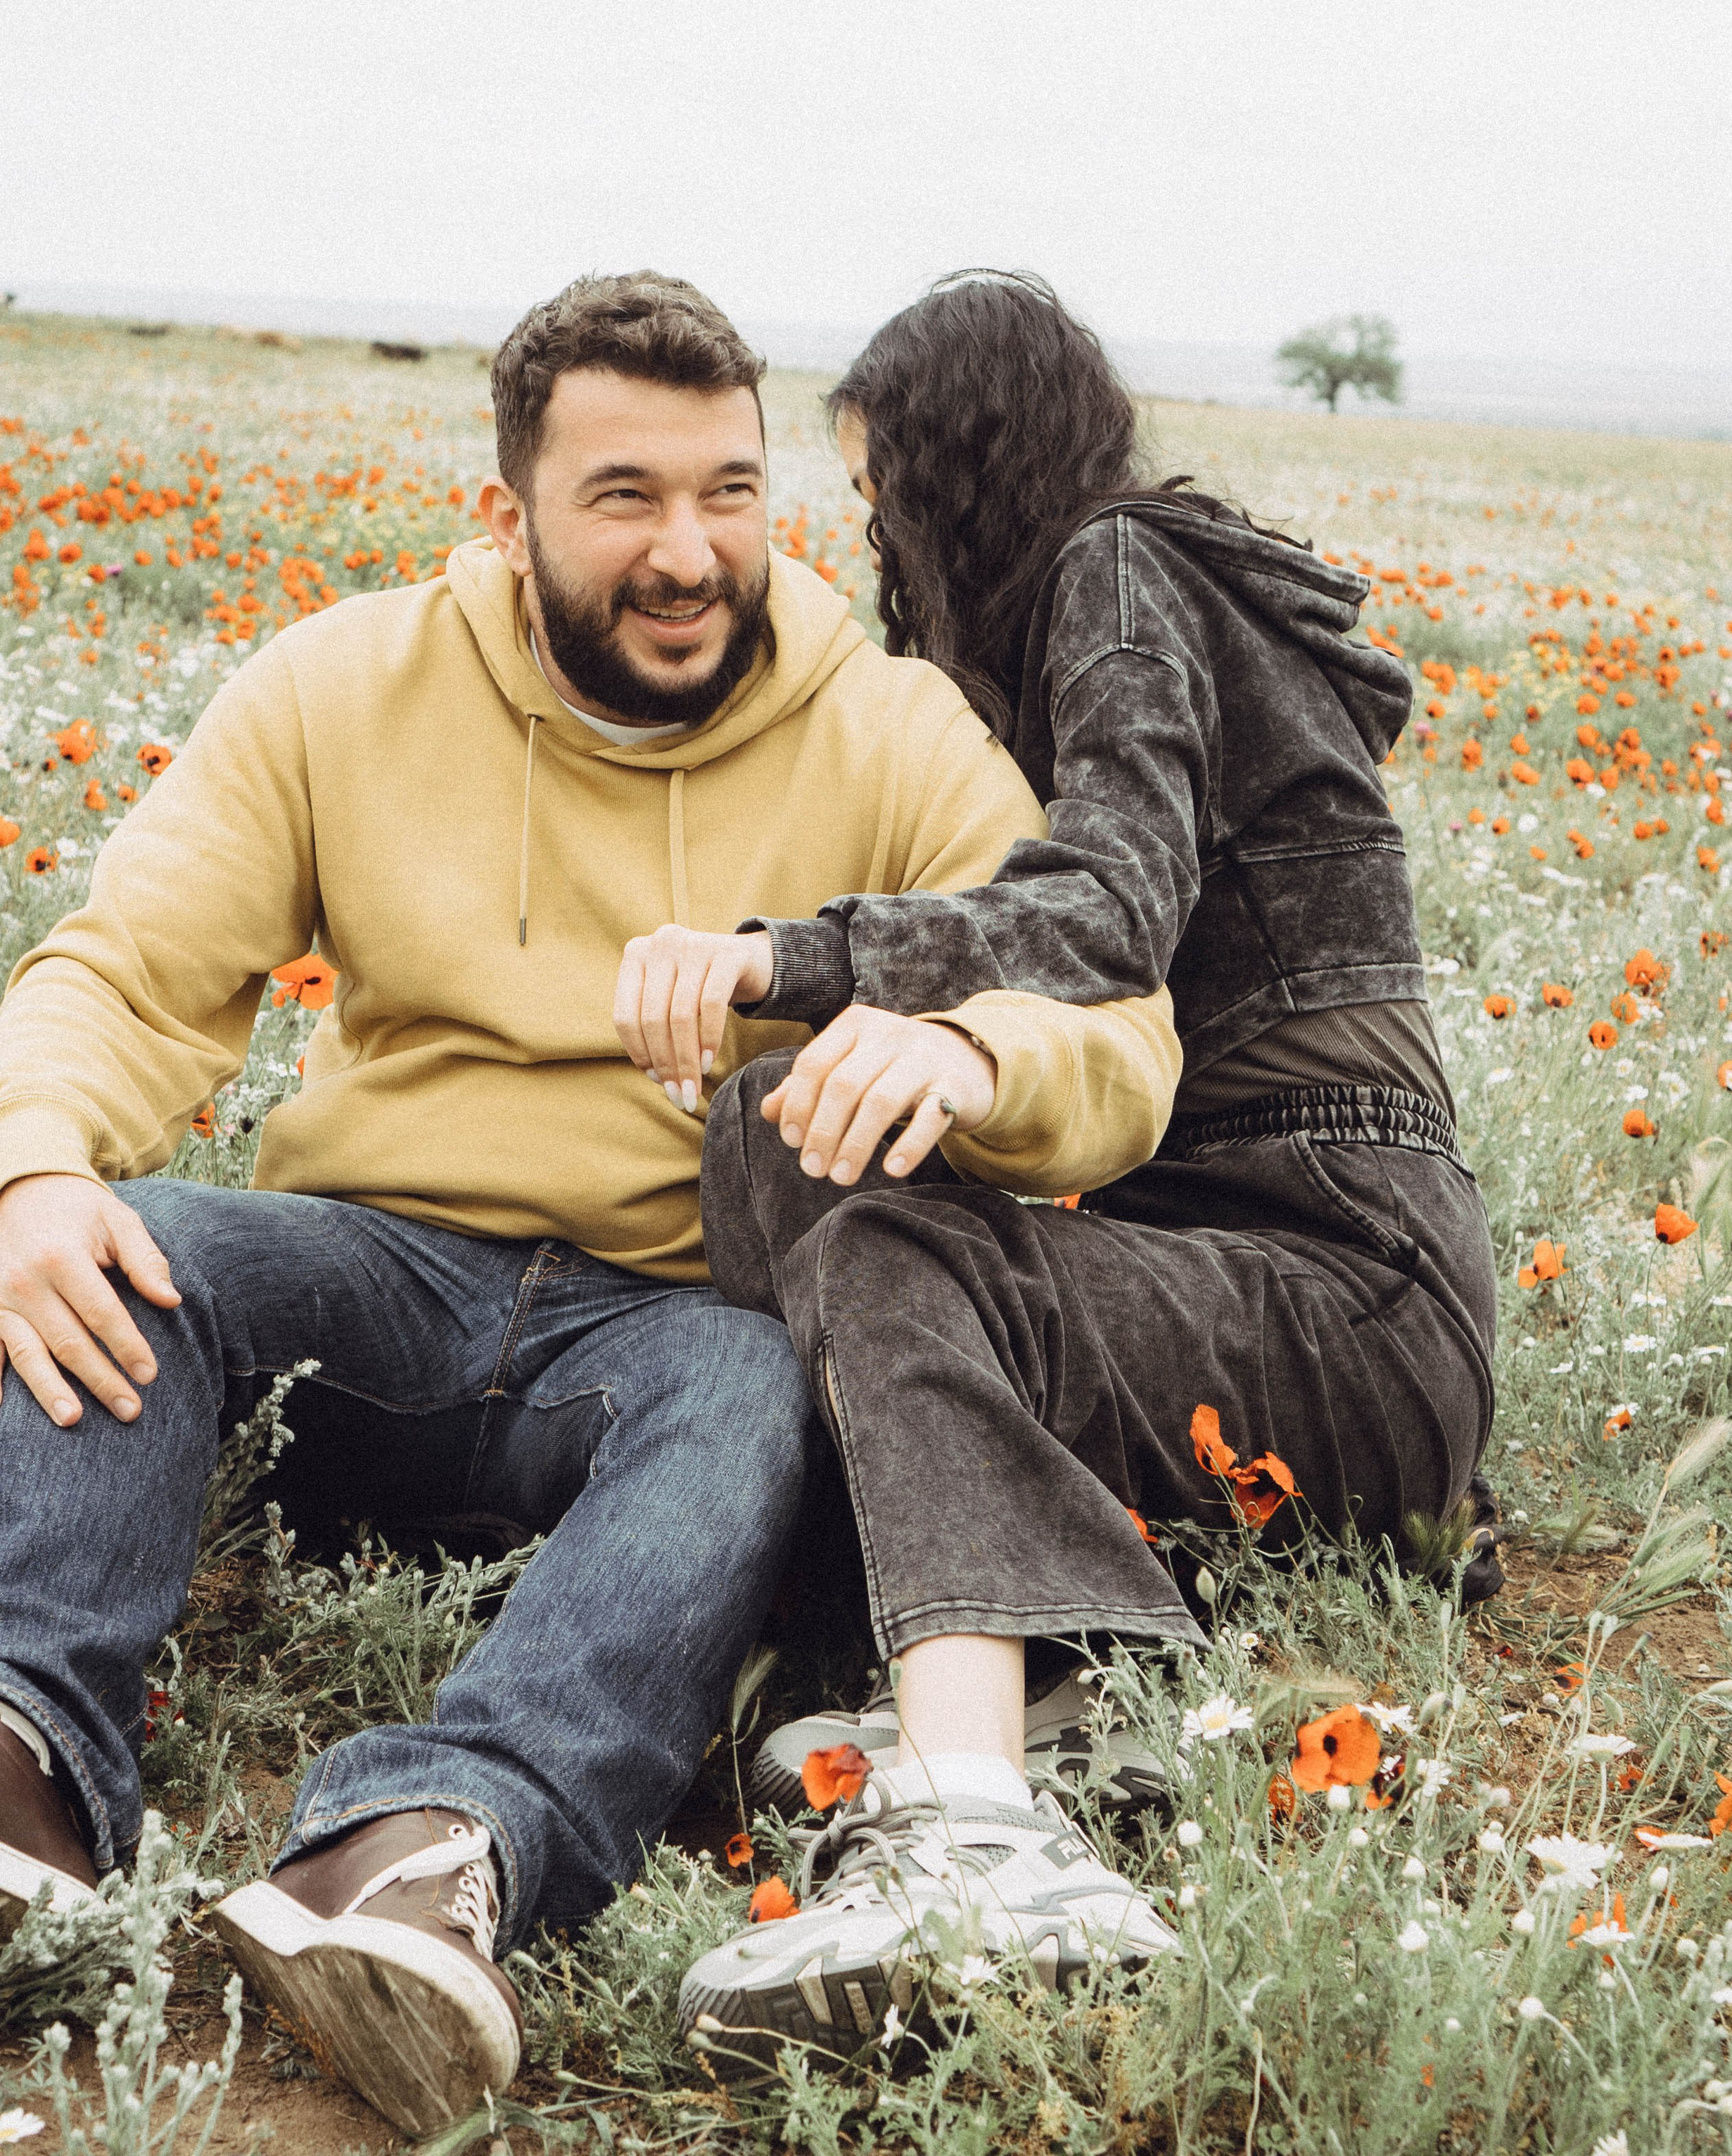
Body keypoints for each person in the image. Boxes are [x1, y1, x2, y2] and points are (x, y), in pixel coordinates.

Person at [0, 272, 1180, 2140]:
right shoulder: (341, 684)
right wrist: (33, 1162)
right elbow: (127, 973)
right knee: (129, 1247)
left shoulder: (889, 731)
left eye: (729, 491)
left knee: (754, 1390)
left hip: (667, 1328)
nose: (687, 551)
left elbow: (1111, 1022)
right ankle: (25, 1777)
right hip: (370, 1276)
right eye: (624, 496)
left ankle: (428, 1848)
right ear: (509, 515)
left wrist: (974, 1054)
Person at [609, 272, 1498, 2058]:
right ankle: (1058, 1692)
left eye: (886, 500)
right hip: (1281, 1301)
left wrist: (794, 959)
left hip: (1341, 1274)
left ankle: (978, 1836)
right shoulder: (1126, 598)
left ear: (964, 469)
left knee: (881, 1235)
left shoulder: (1118, 567)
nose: (881, 544)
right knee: (783, 1135)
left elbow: (1104, 906)